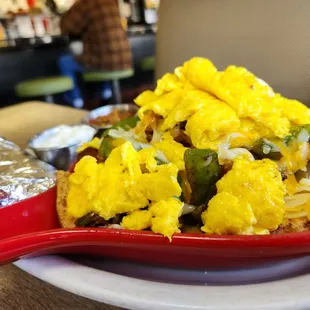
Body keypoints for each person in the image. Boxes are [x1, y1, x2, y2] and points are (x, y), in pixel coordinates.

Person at [58, 0, 133, 108]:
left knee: (64, 62)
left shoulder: (84, 3)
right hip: (125, 56)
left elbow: (67, 26)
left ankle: (76, 101)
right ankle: (106, 92)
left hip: (103, 59)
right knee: (102, 57)